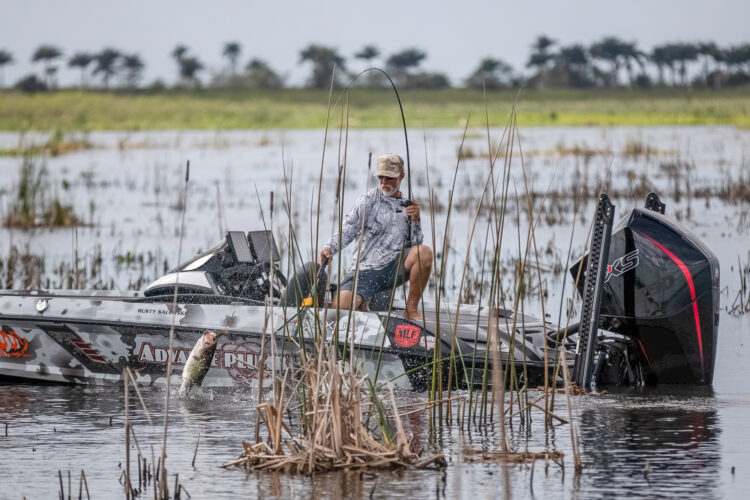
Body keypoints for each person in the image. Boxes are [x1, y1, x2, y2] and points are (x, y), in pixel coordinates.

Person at [319, 153, 432, 320]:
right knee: (340, 309)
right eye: (381, 177)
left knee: (424, 252)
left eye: (389, 178)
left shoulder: (409, 206)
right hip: (364, 271)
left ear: (401, 176)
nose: (384, 182)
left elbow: (415, 244)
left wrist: (416, 221)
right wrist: (330, 248)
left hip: (393, 268)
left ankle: (411, 310)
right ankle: (360, 301)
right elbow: (348, 229)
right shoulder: (367, 201)